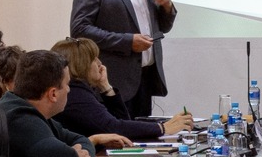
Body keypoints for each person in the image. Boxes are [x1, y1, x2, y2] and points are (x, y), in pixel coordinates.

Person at [70, 0, 177, 118]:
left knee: (143, 135)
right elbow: (79, 30)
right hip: (113, 82)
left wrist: (167, 7)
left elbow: (162, 27)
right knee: (119, 135)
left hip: (144, 80)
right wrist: (128, 42)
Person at [1, 50, 128, 157]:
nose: (69, 89)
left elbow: (82, 140)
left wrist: (76, 155)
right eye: (67, 84)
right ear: (53, 94)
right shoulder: (19, 117)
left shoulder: (30, 111)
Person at [53, 37, 190, 142]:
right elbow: (114, 127)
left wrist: (105, 87)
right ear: (82, 64)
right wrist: (163, 128)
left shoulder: (79, 90)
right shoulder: (76, 93)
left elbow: (122, 120)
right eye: (94, 59)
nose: (100, 63)